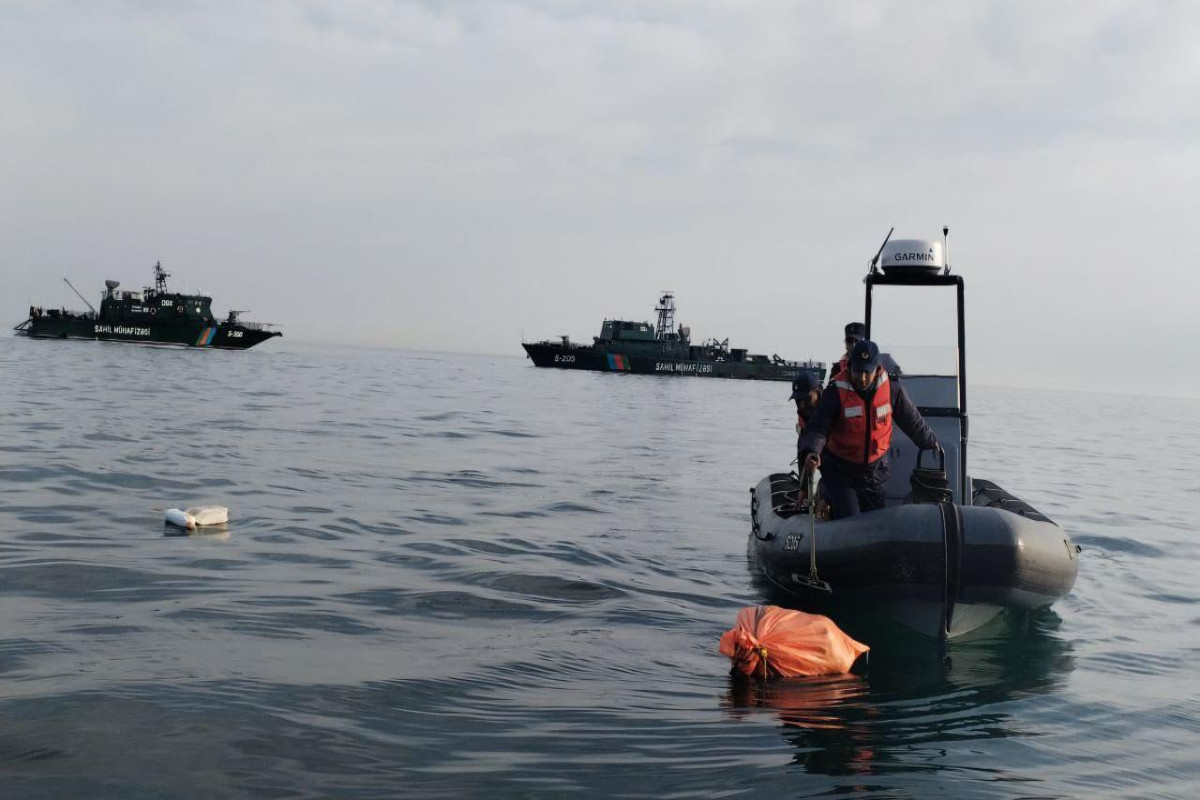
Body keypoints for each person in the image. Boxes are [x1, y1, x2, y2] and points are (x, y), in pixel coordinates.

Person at [799, 339, 940, 519]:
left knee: (875, 522)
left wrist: (930, 442)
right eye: (858, 371)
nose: (862, 378)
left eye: (867, 372)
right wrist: (812, 450)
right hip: (841, 470)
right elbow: (818, 427)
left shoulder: (891, 389)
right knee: (849, 517)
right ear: (850, 367)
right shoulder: (835, 391)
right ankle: (826, 500)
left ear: (877, 369)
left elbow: (911, 420)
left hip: (874, 471)